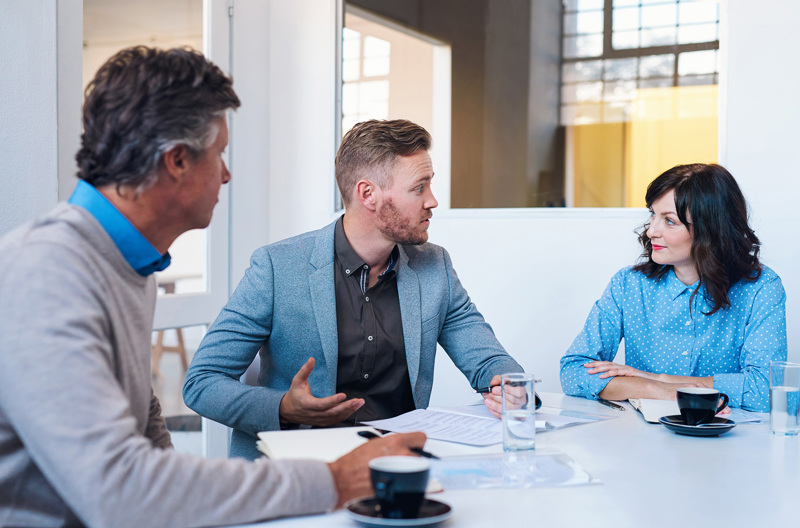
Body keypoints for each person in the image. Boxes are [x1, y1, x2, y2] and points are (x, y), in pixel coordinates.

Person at [0, 46, 425, 528]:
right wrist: (332, 481)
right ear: (177, 160)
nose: (226, 173)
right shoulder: (48, 273)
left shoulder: (127, 265)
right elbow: (120, 492)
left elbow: (145, 423)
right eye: (219, 153)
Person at [183, 118, 524, 460]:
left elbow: (488, 357)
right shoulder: (277, 268)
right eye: (419, 187)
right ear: (368, 194)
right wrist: (285, 407)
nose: (432, 201)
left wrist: (507, 385)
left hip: (397, 464)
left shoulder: (434, 267)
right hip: (299, 470)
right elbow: (202, 382)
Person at [559, 163, 786, 412]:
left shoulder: (761, 289)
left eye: (669, 221)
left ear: (711, 230)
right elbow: (573, 371)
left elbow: (767, 390)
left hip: (730, 440)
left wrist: (659, 378)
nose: (651, 231)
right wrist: (657, 391)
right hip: (644, 440)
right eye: (652, 215)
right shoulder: (629, 284)